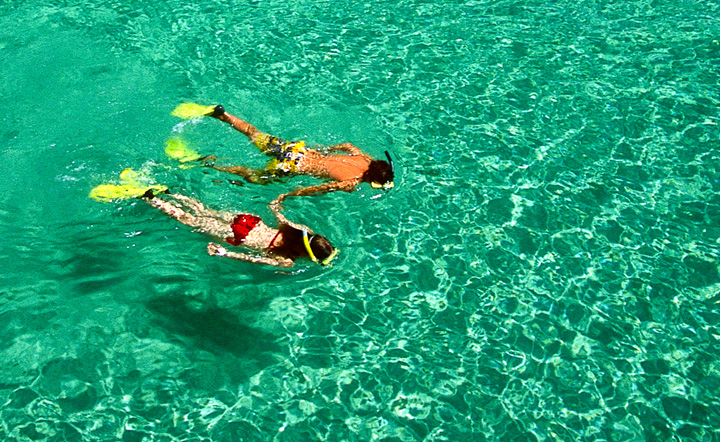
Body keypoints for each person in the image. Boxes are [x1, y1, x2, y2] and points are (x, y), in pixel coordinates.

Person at [174, 104, 395, 199]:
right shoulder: (352, 184)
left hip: (297, 150)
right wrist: (290, 194)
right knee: (253, 177)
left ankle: (222, 114)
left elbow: (347, 145)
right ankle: (211, 163)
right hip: (291, 167)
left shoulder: (363, 158)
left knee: (254, 133)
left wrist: (325, 150)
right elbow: (320, 188)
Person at [138, 190, 338, 267]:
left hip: (249, 221)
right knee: (189, 220)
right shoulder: (287, 261)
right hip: (240, 236)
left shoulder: (301, 229)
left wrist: (276, 205)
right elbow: (254, 258)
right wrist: (225, 254)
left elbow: (277, 214)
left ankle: (171, 193)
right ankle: (150, 199)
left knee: (204, 210)